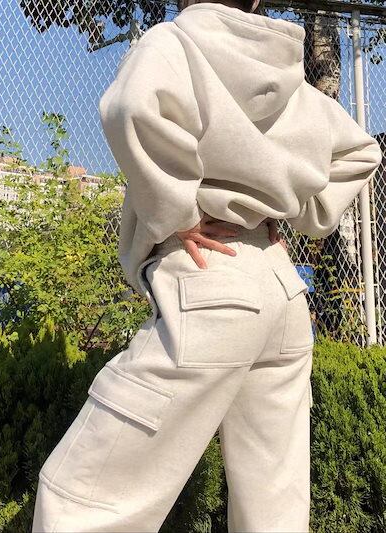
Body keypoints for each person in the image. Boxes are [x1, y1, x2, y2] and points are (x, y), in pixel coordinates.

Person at [32, 0, 382, 531]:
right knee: (274, 508)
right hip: (280, 286)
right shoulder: (284, 72)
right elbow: (359, 151)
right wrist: (286, 211)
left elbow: (130, 106)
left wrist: (177, 213)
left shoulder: (173, 43)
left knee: (82, 501)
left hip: (207, 274)